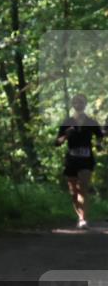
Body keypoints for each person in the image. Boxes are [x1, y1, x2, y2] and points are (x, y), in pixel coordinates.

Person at [55, 93, 104, 229]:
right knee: (73, 192)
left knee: (83, 187)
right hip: (71, 160)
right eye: (76, 102)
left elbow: (100, 136)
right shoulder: (67, 122)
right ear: (73, 105)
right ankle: (79, 216)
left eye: (81, 102)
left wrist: (99, 144)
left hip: (86, 159)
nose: (78, 104)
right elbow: (57, 142)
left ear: (85, 104)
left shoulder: (91, 122)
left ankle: (83, 219)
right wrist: (65, 135)